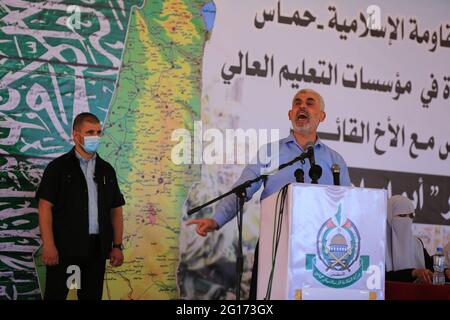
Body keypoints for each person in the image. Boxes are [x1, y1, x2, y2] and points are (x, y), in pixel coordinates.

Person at [187, 88, 352, 299]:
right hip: (273, 245)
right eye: (297, 102)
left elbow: (350, 206)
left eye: (310, 103)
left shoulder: (335, 160)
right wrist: (216, 220)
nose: (302, 106)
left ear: (322, 116)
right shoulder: (270, 152)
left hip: (321, 251)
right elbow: (242, 189)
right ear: (290, 114)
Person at [36, 112, 125, 300]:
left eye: (99, 132)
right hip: (64, 249)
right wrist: (49, 245)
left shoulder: (106, 170)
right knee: (56, 296)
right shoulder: (58, 168)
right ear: (76, 136)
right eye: (90, 132)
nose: (96, 137)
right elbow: (45, 207)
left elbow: (116, 210)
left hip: (96, 250)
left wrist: (117, 245)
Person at [385, 195, 434, 283]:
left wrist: (445, 271)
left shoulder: (417, 244)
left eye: (411, 215)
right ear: (389, 216)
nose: (407, 219)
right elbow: (381, 276)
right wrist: (413, 272)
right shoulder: (380, 245)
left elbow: (430, 268)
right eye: (402, 215)